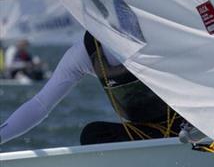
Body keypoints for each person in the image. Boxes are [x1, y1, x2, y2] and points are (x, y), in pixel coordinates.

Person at [0, 31, 181, 146]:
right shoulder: (84, 54)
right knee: (92, 134)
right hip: (145, 134)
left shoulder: (161, 35)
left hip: (188, 129)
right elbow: (40, 104)